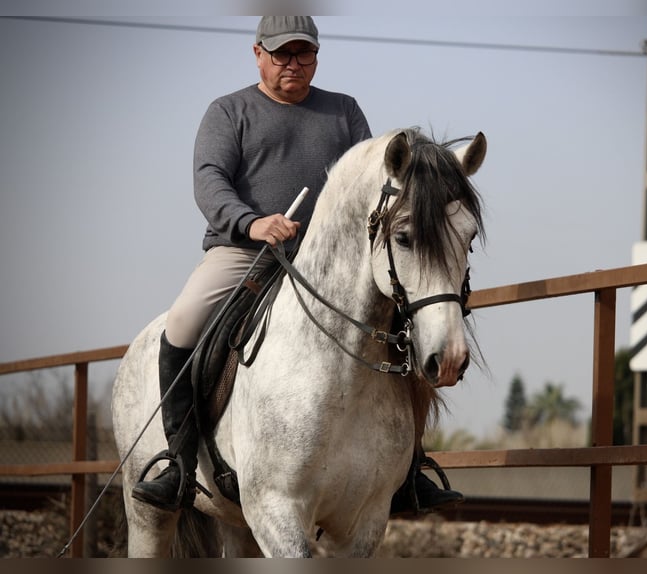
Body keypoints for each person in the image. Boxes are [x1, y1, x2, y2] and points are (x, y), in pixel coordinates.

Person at [131, 16, 463, 515]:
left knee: (404, 322)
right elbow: (209, 181)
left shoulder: (343, 111)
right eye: (282, 54)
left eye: (303, 53)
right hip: (245, 250)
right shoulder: (229, 111)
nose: (293, 63)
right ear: (258, 54)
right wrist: (252, 223)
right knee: (181, 323)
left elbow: (373, 185)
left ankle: (408, 468)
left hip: (328, 259)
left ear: (316, 56)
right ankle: (177, 464)